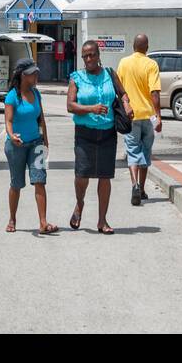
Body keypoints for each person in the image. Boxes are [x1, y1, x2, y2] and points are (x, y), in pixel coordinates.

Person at [66, 40, 130, 234]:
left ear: (98, 54)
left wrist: (127, 104)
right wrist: (91, 109)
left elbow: (123, 93)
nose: (89, 59)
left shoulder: (110, 74)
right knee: (82, 175)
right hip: (85, 133)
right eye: (85, 56)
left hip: (108, 132)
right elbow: (70, 105)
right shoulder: (76, 78)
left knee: (105, 176)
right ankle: (79, 203)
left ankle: (102, 221)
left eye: (92, 54)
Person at [3, 60, 58, 234]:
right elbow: (8, 121)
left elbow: (40, 118)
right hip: (16, 146)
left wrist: (45, 140)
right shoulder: (12, 96)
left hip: (36, 143)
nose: (36, 76)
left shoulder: (36, 94)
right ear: (23, 75)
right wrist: (12, 136)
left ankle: (43, 222)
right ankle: (12, 218)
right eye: (33, 73)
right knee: (16, 184)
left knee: (40, 180)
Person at [116, 34, 161, 206]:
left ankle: (134, 184)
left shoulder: (123, 63)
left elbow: (119, 90)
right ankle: (141, 189)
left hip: (130, 116)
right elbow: (154, 92)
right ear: (147, 47)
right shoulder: (151, 64)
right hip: (148, 116)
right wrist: (158, 116)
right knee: (146, 151)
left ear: (133, 46)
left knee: (133, 151)